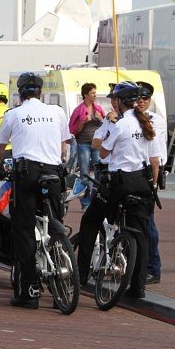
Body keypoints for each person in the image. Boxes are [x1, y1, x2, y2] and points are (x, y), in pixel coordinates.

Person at [0, 73, 71, 309]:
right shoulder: (56, 111)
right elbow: (63, 145)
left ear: (20, 94)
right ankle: (61, 285)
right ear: (40, 93)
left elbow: (0, 149)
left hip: (27, 174)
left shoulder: (13, 114)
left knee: (24, 230)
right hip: (53, 173)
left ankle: (29, 292)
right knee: (55, 221)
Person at [99, 81, 160, 299]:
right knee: (141, 234)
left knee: (107, 219)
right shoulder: (146, 123)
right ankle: (138, 287)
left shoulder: (120, 125)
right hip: (142, 181)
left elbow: (103, 154)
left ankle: (110, 258)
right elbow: (154, 158)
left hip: (122, 181)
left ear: (120, 103)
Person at [77, 84, 121, 286]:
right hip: (133, 178)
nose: (112, 102)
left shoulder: (120, 123)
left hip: (115, 179)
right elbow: (95, 142)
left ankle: (81, 276)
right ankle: (137, 283)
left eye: (115, 99)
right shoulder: (142, 122)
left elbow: (102, 150)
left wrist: (109, 139)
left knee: (89, 222)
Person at [136, 81, 167, 285]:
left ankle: (152, 267)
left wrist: (153, 183)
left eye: (145, 98)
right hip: (134, 170)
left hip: (150, 170)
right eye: (137, 98)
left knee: (148, 223)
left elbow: (154, 156)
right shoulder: (132, 118)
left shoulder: (156, 119)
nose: (140, 101)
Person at [69, 83, 105, 210]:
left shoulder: (98, 109)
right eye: (92, 93)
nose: (95, 95)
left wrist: (101, 119)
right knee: (84, 173)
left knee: (100, 171)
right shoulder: (78, 110)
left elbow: (106, 125)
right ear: (85, 95)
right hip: (83, 144)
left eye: (95, 93)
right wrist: (83, 121)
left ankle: (99, 200)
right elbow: (73, 130)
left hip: (96, 143)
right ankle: (86, 203)